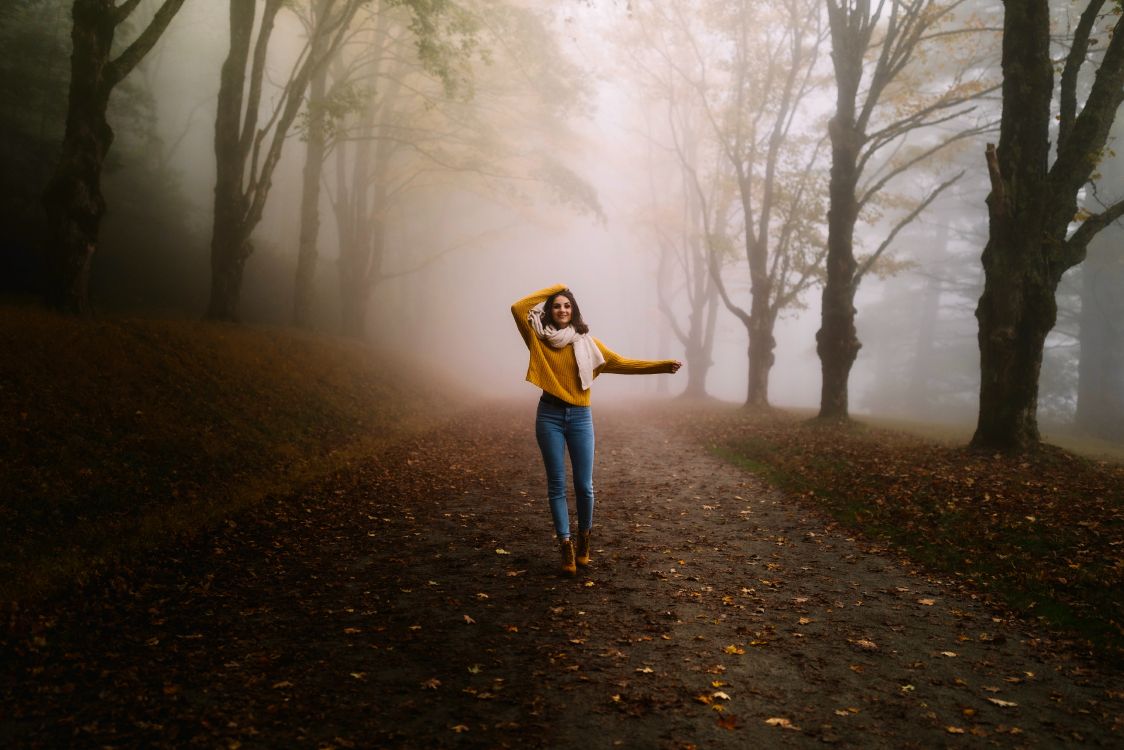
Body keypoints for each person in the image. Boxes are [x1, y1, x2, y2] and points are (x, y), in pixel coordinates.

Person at [511, 283, 682, 576]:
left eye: (567, 305)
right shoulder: (538, 338)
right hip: (549, 415)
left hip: (580, 417)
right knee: (556, 484)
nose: (562, 310)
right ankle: (565, 543)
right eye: (556, 305)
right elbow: (518, 307)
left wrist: (663, 366)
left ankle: (584, 538)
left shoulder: (588, 344)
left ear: (574, 311)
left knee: (584, 486)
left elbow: (622, 363)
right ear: (549, 311)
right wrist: (559, 286)